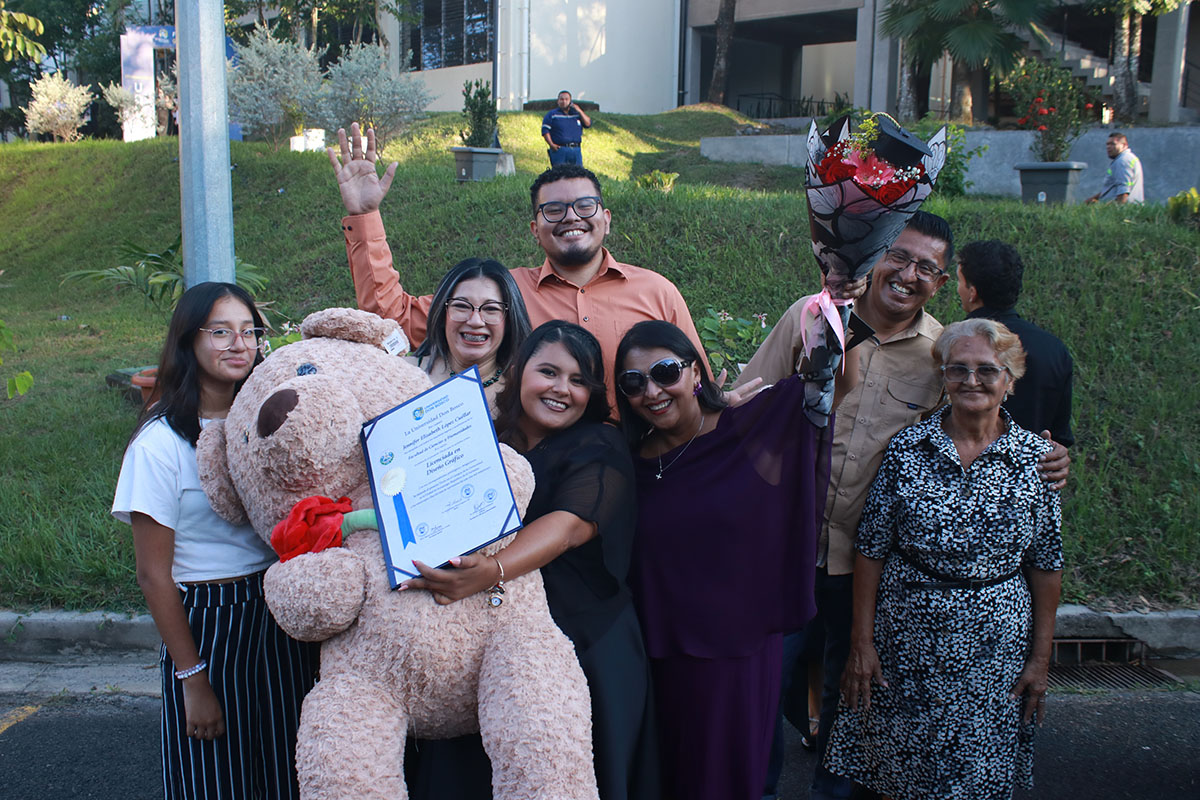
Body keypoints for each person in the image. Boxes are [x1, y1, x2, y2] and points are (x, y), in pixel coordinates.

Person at [734, 212, 1070, 800]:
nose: (908, 274)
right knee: (758, 693)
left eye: (928, 268)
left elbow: (977, 411)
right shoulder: (812, 317)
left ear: (943, 281)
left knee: (851, 698)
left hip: (863, 566)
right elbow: (745, 405)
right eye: (899, 256)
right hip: (779, 551)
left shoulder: (941, 351)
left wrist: (1045, 454)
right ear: (876, 254)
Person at [615, 297, 862, 800]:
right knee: (664, 777)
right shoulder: (627, 461)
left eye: (664, 372)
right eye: (634, 382)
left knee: (721, 779)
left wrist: (838, 297)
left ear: (695, 371)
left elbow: (835, 385)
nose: (652, 391)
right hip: (655, 652)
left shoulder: (746, 428)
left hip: (734, 651)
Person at [403, 320, 660, 800]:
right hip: (484, 642)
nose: (562, 389)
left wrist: (489, 574)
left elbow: (568, 526)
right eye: (549, 372)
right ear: (519, 372)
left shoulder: (599, 444)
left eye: (579, 380)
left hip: (584, 643)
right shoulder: (481, 435)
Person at [826, 318, 1063, 799]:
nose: (971, 381)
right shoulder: (908, 451)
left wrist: (1040, 659)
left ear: (1010, 381)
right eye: (958, 370)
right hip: (905, 640)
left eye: (987, 371)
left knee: (975, 775)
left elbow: (1046, 563)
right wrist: (862, 643)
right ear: (944, 377)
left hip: (995, 651)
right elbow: (871, 548)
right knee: (895, 770)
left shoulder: (1037, 460)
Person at [327, 124, 709, 409]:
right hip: (535, 464)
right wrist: (365, 215)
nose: (571, 217)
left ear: (606, 218)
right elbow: (391, 316)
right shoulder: (501, 295)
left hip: (646, 457)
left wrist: (722, 406)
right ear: (535, 229)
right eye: (553, 210)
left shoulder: (656, 292)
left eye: (585, 206)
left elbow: (697, 382)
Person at [112, 283, 319, 800]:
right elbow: (153, 574)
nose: (238, 344)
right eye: (221, 331)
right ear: (189, 339)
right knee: (212, 779)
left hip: (276, 614)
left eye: (249, 332)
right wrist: (193, 678)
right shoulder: (160, 444)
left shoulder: (265, 424)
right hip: (208, 621)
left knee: (285, 771)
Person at [956, 239, 1074, 447]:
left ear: (972, 292)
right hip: (1031, 473)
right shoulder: (1055, 350)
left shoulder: (957, 346)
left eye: (959, 281)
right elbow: (1060, 437)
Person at [405, 257, 532, 410]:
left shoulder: (524, 394)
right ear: (442, 315)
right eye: (461, 306)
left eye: (491, 309)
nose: (475, 321)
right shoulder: (401, 375)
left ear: (510, 321)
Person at [1086, 131, 1144, 204]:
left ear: (1124, 145)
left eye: (1113, 144)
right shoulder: (1127, 158)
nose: (1108, 147)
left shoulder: (1122, 161)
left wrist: (1118, 212)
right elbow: (1112, 188)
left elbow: (1124, 189)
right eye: (1107, 144)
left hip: (1123, 211)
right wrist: (1094, 198)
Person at [542, 90, 592, 166]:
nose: (564, 101)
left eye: (566, 99)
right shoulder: (552, 114)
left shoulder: (576, 114)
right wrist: (551, 144)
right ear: (558, 101)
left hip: (576, 149)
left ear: (570, 101)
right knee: (560, 175)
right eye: (561, 99)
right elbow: (545, 131)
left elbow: (588, 124)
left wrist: (579, 110)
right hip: (560, 149)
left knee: (577, 175)